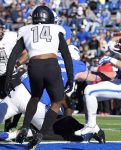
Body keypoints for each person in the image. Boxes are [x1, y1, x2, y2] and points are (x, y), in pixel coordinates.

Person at [0, 44, 104, 143]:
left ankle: (10, 134)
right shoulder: (75, 64)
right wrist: (114, 75)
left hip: (18, 92)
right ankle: (12, 135)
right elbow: (95, 78)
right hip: (37, 102)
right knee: (55, 130)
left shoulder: (48, 55)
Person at [4, 5, 73, 149]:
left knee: (35, 97)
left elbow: (13, 57)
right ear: (49, 17)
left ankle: (25, 126)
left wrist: (8, 78)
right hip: (51, 64)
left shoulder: (26, 30)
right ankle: (41, 134)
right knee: (58, 100)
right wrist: (71, 77)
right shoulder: (56, 29)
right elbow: (66, 55)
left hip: (34, 66)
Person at [74, 23, 121, 138]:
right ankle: (93, 129)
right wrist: (114, 42)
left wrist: (111, 59)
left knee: (89, 90)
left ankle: (91, 126)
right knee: (87, 96)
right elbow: (118, 39)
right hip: (119, 80)